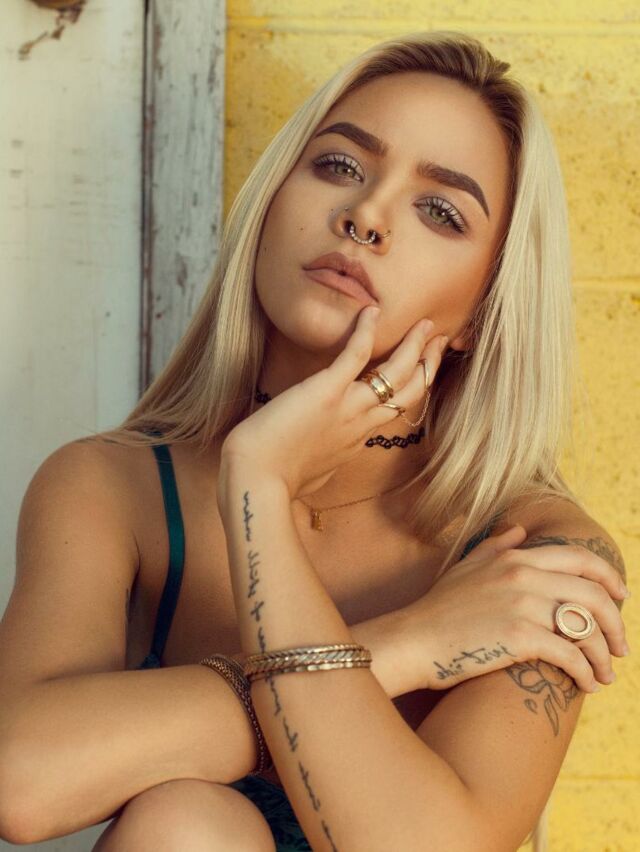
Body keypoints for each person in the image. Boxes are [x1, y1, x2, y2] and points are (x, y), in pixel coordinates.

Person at [0, 30, 629, 852]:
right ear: (270, 206)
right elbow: (20, 783)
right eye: (339, 165)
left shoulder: (534, 554)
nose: (365, 216)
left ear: (482, 311)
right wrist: (405, 642)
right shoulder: (111, 487)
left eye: (439, 211)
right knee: (188, 826)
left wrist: (260, 498)